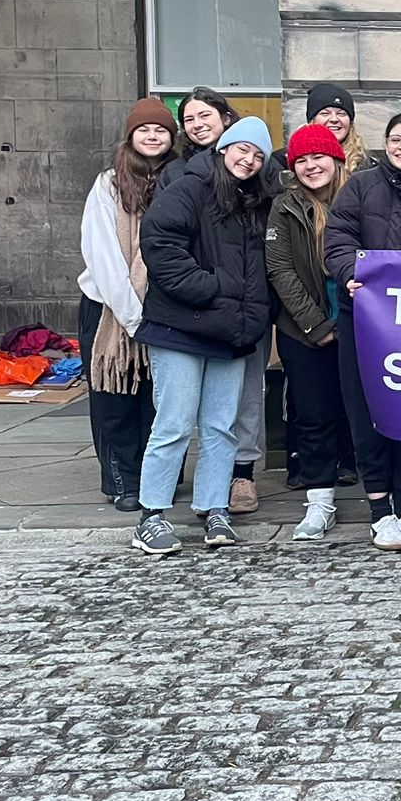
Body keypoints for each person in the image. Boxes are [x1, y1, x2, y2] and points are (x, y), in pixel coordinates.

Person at [132, 115, 275, 555]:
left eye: (257, 155)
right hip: (181, 327)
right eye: (242, 149)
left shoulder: (256, 203)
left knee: (221, 427)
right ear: (223, 149)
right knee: (173, 423)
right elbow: (159, 244)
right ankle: (150, 516)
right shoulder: (189, 188)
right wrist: (210, 288)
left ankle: (215, 508)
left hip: (230, 332)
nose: (248, 160)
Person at [325, 113, 401, 551]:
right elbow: (337, 239)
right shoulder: (359, 186)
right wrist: (348, 272)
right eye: (395, 139)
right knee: (365, 409)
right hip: (364, 317)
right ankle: (379, 508)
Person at [171, 84, 268, 512]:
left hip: (248, 308)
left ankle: (239, 476)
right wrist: (207, 287)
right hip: (196, 306)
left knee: (244, 395)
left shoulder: (261, 182)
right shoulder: (180, 177)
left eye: (204, 116)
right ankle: (190, 489)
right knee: (184, 406)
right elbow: (164, 243)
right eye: (189, 119)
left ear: (224, 119)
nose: (197, 124)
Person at [79, 97, 175, 514]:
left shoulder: (179, 180)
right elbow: (101, 255)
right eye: (144, 130)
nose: (152, 136)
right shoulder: (108, 184)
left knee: (159, 399)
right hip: (109, 310)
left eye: (160, 130)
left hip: (163, 304)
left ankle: (158, 478)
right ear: (131, 136)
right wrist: (131, 314)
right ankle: (122, 481)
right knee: (114, 397)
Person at [267, 123, 350, 542]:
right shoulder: (284, 207)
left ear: (336, 159)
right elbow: (280, 270)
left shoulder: (358, 198)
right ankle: (319, 501)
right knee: (314, 418)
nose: (311, 166)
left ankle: (385, 499)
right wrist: (315, 325)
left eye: (318, 157)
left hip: (359, 327)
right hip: (305, 332)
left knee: (366, 415)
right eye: (301, 160)